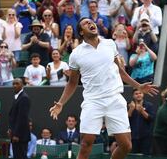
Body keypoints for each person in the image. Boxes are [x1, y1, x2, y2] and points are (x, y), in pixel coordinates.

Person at [49, 17, 158, 159]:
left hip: (115, 99)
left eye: (90, 22)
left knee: (126, 146)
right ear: (81, 32)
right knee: (86, 144)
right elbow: (72, 82)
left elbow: (121, 72)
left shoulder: (110, 44)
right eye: (85, 24)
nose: (90, 23)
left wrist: (138, 86)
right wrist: (60, 103)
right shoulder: (76, 54)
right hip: (93, 101)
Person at [128, 89, 155, 155]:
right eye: (136, 94)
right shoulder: (129, 105)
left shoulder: (149, 105)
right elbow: (125, 120)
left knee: (145, 155)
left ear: (143, 94)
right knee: (133, 156)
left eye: (140, 93)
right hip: (132, 137)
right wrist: (131, 110)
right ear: (133, 96)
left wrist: (142, 111)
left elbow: (152, 118)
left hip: (145, 137)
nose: (138, 95)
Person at [8, 78, 31, 159]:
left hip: (20, 136)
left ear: (22, 85)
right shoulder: (17, 97)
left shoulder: (24, 98)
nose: (14, 85)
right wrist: (11, 129)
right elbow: (14, 116)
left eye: (17, 83)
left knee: (21, 156)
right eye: (13, 84)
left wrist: (17, 134)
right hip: (15, 134)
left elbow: (22, 118)